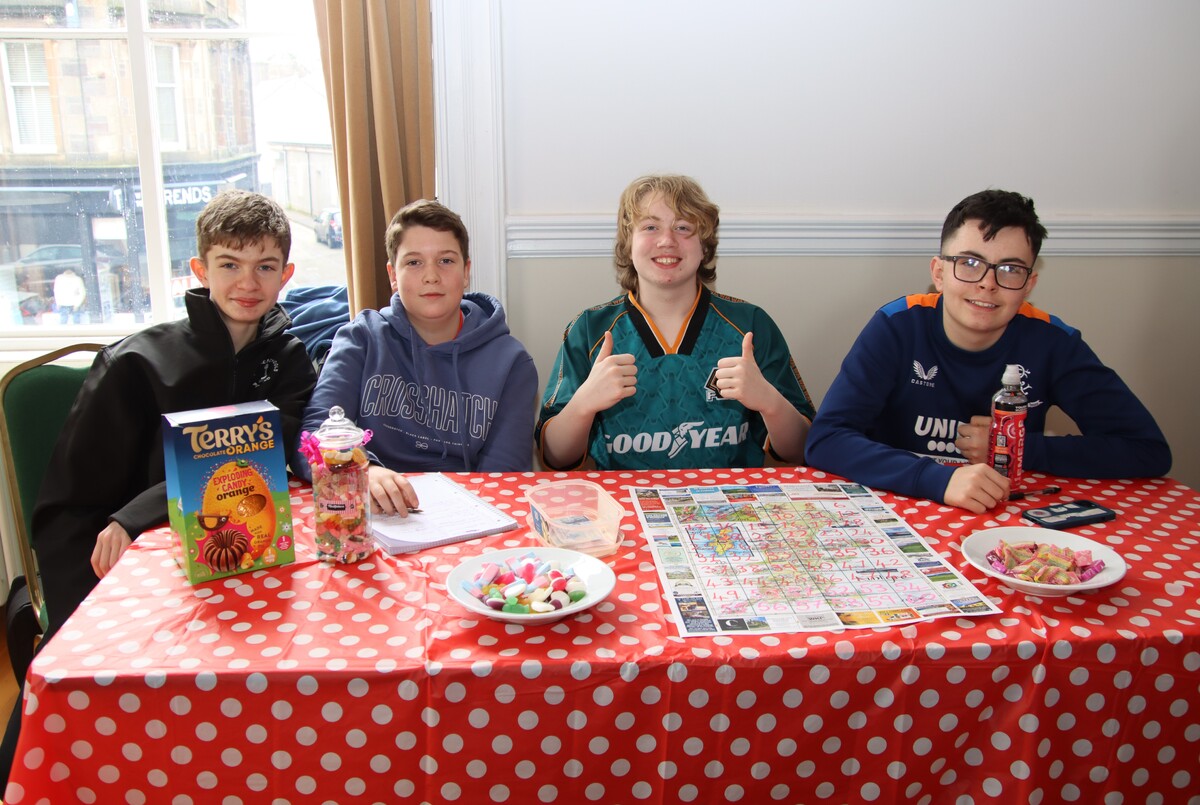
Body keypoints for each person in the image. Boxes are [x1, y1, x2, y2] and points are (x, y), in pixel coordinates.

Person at [0, 190, 317, 787]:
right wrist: (127, 523)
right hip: (135, 565)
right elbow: (70, 504)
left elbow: (279, 453)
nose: (247, 282)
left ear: (286, 275)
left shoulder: (295, 360)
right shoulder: (135, 363)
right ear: (199, 270)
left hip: (251, 557)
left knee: (289, 670)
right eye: (229, 263)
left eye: (265, 266)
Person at [805, 188, 1171, 513]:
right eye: (968, 263)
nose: (987, 283)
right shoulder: (896, 325)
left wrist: (1019, 448)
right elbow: (827, 439)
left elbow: (1147, 450)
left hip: (1008, 518)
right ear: (939, 272)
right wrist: (938, 480)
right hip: (902, 508)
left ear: (1029, 284)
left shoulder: (1054, 342)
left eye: (1010, 270)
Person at [536, 174, 815, 470]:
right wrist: (584, 404)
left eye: (683, 228)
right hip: (624, 506)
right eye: (650, 227)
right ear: (628, 244)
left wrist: (768, 401)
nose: (667, 240)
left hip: (731, 505)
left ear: (704, 246)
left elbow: (800, 450)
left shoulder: (750, 325)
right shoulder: (591, 329)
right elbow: (556, 457)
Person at [294, 199, 538, 515]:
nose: (431, 276)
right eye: (413, 262)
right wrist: (360, 472)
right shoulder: (361, 338)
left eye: (446, 261)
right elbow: (313, 436)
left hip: (468, 516)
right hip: (373, 513)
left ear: (466, 272)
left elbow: (503, 476)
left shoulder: (512, 363)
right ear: (392, 275)